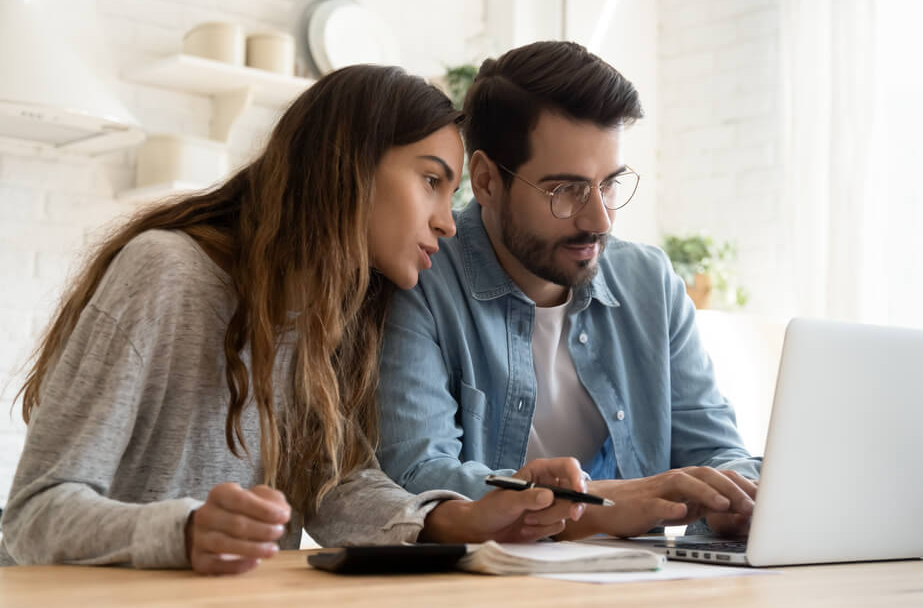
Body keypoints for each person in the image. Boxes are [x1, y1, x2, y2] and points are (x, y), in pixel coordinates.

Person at [0, 64, 588, 574]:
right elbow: (34, 514)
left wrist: (461, 519)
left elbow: (334, 488)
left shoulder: (335, 316)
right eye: (431, 181)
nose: (448, 222)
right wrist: (183, 532)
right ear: (348, 165)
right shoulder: (166, 272)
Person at [377, 41, 761, 540]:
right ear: (488, 181)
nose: (599, 219)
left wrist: (736, 497)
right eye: (567, 191)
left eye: (610, 185)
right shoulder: (418, 279)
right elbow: (416, 474)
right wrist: (598, 506)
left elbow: (715, 449)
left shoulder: (650, 284)